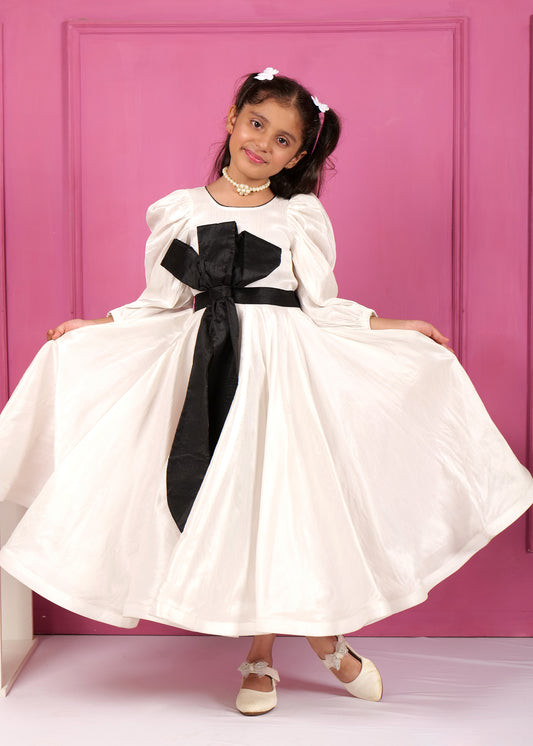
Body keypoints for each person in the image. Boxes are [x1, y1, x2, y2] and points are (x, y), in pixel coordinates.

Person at [0, 68, 532, 716]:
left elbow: (323, 304)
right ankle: (315, 643)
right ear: (231, 118)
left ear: (298, 155)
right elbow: (159, 303)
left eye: (283, 140)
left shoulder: (298, 217)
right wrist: (97, 327)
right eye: (257, 125)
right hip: (207, 370)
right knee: (234, 504)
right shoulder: (181, 212)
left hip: (284, 375)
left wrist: (391, 327)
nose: (263, 144)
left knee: (283, 501)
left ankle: (275, 650)